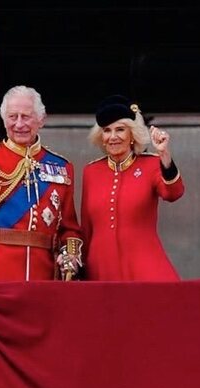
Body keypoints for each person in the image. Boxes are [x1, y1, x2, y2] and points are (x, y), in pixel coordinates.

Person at [0, 85, 82, 281]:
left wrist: (70, 257)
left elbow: (69, 228)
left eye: (26, 116)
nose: (19, 124)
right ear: (4, 120)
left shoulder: (61, 167)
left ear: (41, 120)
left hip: (43, 274)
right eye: (13, 117)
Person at [81, 95, 184, 281]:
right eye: (107, 131)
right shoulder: (91, 171)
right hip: (100, 269)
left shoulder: (151, 164)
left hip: (144, 265)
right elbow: (87, 228)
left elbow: (173, 193)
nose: (113, 137)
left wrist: (164, 155)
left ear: (132, 135)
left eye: (120, 130)